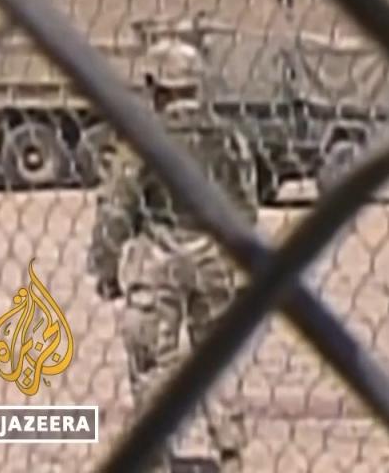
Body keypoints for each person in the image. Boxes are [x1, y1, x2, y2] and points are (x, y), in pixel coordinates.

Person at [87, 39, 255, 472]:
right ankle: (230, 450)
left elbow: (116, 208)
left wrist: (105, 266)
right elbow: (246, 207)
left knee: (152, 362)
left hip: (159, 256)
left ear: (155, 85)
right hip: (216, 256)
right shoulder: (229, 138)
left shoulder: (144, 140)